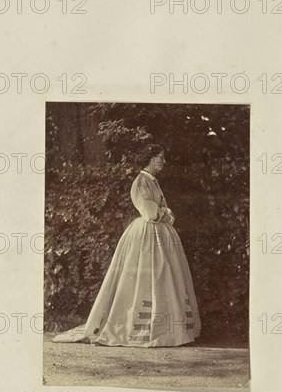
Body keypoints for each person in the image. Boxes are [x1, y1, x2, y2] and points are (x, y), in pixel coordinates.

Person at [53, 144, 201, 347]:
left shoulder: (152, 182)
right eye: (160, 157)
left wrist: (164, 212)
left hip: (159, 234)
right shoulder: (140, 182)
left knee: (164, 275)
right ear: (150, 158)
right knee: (147, 276)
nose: (163, 161)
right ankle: (142, 327)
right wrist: (165, 212)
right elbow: (150, 213)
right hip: (147, 234)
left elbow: (160, 209)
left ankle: (168, 329)